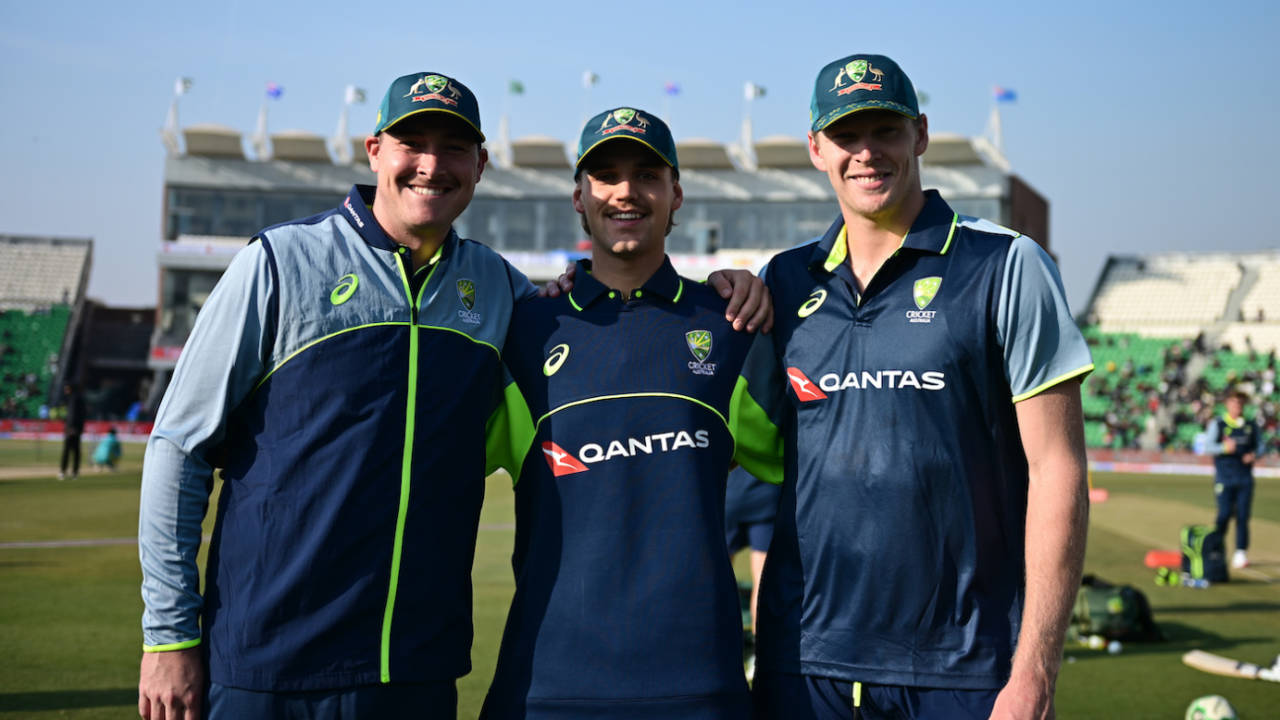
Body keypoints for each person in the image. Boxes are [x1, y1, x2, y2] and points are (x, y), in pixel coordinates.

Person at [137, 73, 770, 720]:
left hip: (417, 668)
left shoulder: (502, 292)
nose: (432, 164)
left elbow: (608, 319)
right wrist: (168, 636)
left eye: (454, 148)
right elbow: (179, 447)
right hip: (268, 660)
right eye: (412, 143)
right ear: (374, 150)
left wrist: (734, 288)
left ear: (480, 165)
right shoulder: (282, 263)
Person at [748, 54, 1094, 720]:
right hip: (805, 665)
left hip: (964, 666)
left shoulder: (1005, 265)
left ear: (921, 134)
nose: (867, 152)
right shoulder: (783, 281)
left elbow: (1059, 470)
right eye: (847, 135)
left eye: (886, 129)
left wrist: (1035, 671)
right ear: (817, 149)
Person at [480, 108, 783, 718]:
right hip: (546, 689)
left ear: (676, 195)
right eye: (606, 175)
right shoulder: (522, 333)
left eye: (647, 175)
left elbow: (820, 479)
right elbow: (431, 481)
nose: (626, 191)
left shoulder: (733, 327)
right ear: (579, 197)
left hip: (701, 688)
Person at [724, 464, 781, 678]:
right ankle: (759, 661)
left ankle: (719, 653)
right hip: (764, 492)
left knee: (717, 581)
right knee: (763, 582)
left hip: (729, 494)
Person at [1203, 389, 1262, 569]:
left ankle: (1240, 553)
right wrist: (1224, 448)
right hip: (1225, 478)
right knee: (1224, 514)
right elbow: (1207, 447)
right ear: (1227, 404)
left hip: (1245, 478)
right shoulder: (1218, 424)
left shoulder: (1251, 425)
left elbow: (1261, 447)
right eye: (1234, 402)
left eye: (1240, 403)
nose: (1237, 406)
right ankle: (1216, 549)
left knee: (1243, 516)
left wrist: (1254, 455)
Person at [59, 382, 85, 480]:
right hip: (75, 428)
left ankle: (64, 471)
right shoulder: (75, 398)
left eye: (67, 389)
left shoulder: (74, 399)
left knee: (68, 451)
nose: (65, 391)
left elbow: (73, 415)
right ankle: (74, 472)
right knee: (75, 451)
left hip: (72, 429)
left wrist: (71, 428)